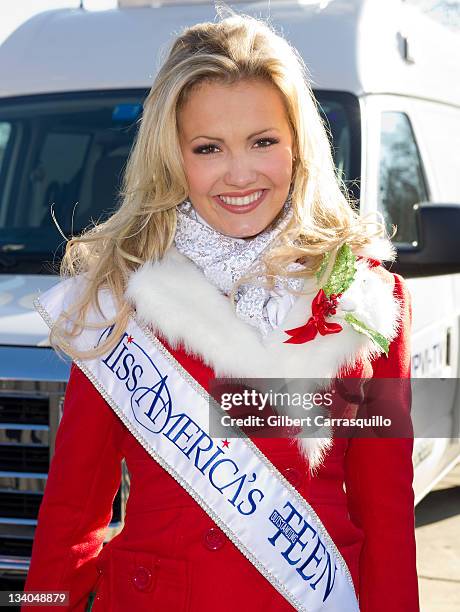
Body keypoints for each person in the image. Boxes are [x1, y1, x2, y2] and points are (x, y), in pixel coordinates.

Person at [23, 10, 419, 612]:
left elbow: (386, 511)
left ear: (298, 145)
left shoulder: (367, 298)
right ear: (173, 158)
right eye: (209, 147)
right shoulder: (118, 296)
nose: (240, 174)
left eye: (263, 141)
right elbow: (71, 515)